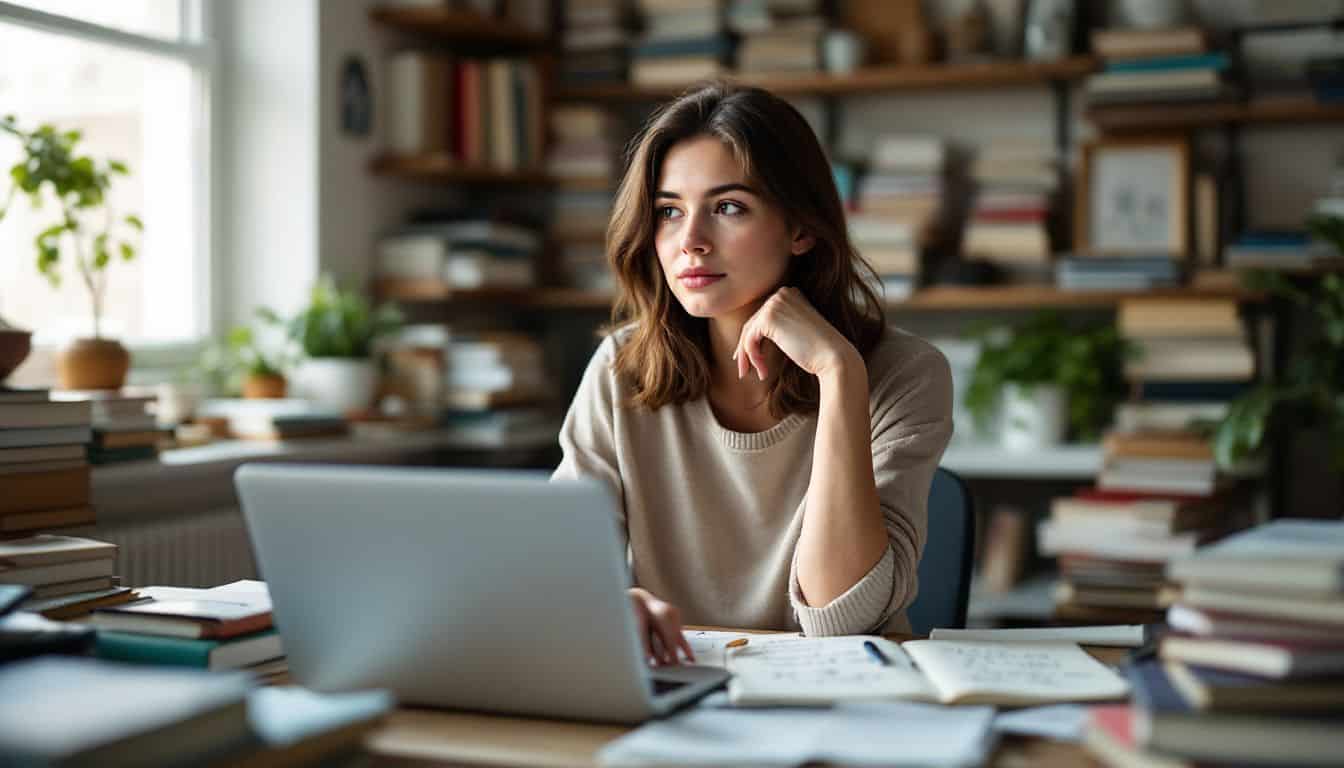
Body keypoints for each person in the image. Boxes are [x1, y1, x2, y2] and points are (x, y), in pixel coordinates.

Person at [552, 82, 953, 666]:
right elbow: (556, 579)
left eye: (728, 208)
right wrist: (609, 603)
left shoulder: (906, 372)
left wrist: (839, 375)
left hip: (843, 696)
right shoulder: (623, 367)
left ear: (800, 228)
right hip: (676, 691)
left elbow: (845, 616)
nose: (690, 242)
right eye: (669, 211)